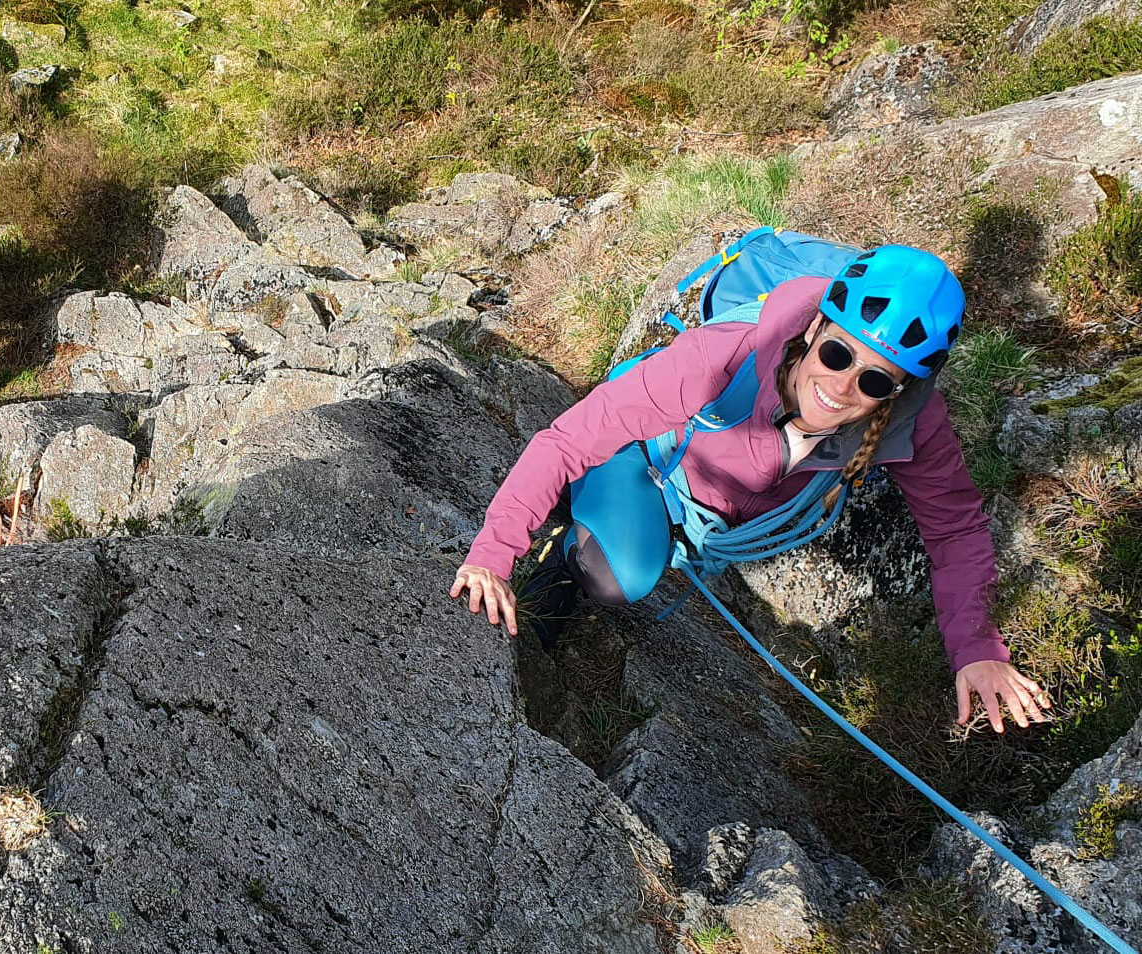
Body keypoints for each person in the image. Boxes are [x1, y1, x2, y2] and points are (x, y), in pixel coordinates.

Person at [449, 245, 1052, 735]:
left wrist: (977, 648)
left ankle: (583, 519)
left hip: (714, 512)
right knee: (616, 575)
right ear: (816, 327)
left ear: (898, 391)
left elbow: (956, 527)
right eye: (838, 353)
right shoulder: (726, 354)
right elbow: (567, 438)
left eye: (873, 379)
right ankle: (562, 538)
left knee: (630, 563)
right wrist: (493, 557)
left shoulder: (910, 419)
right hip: (649, 458)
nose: (842, 388)